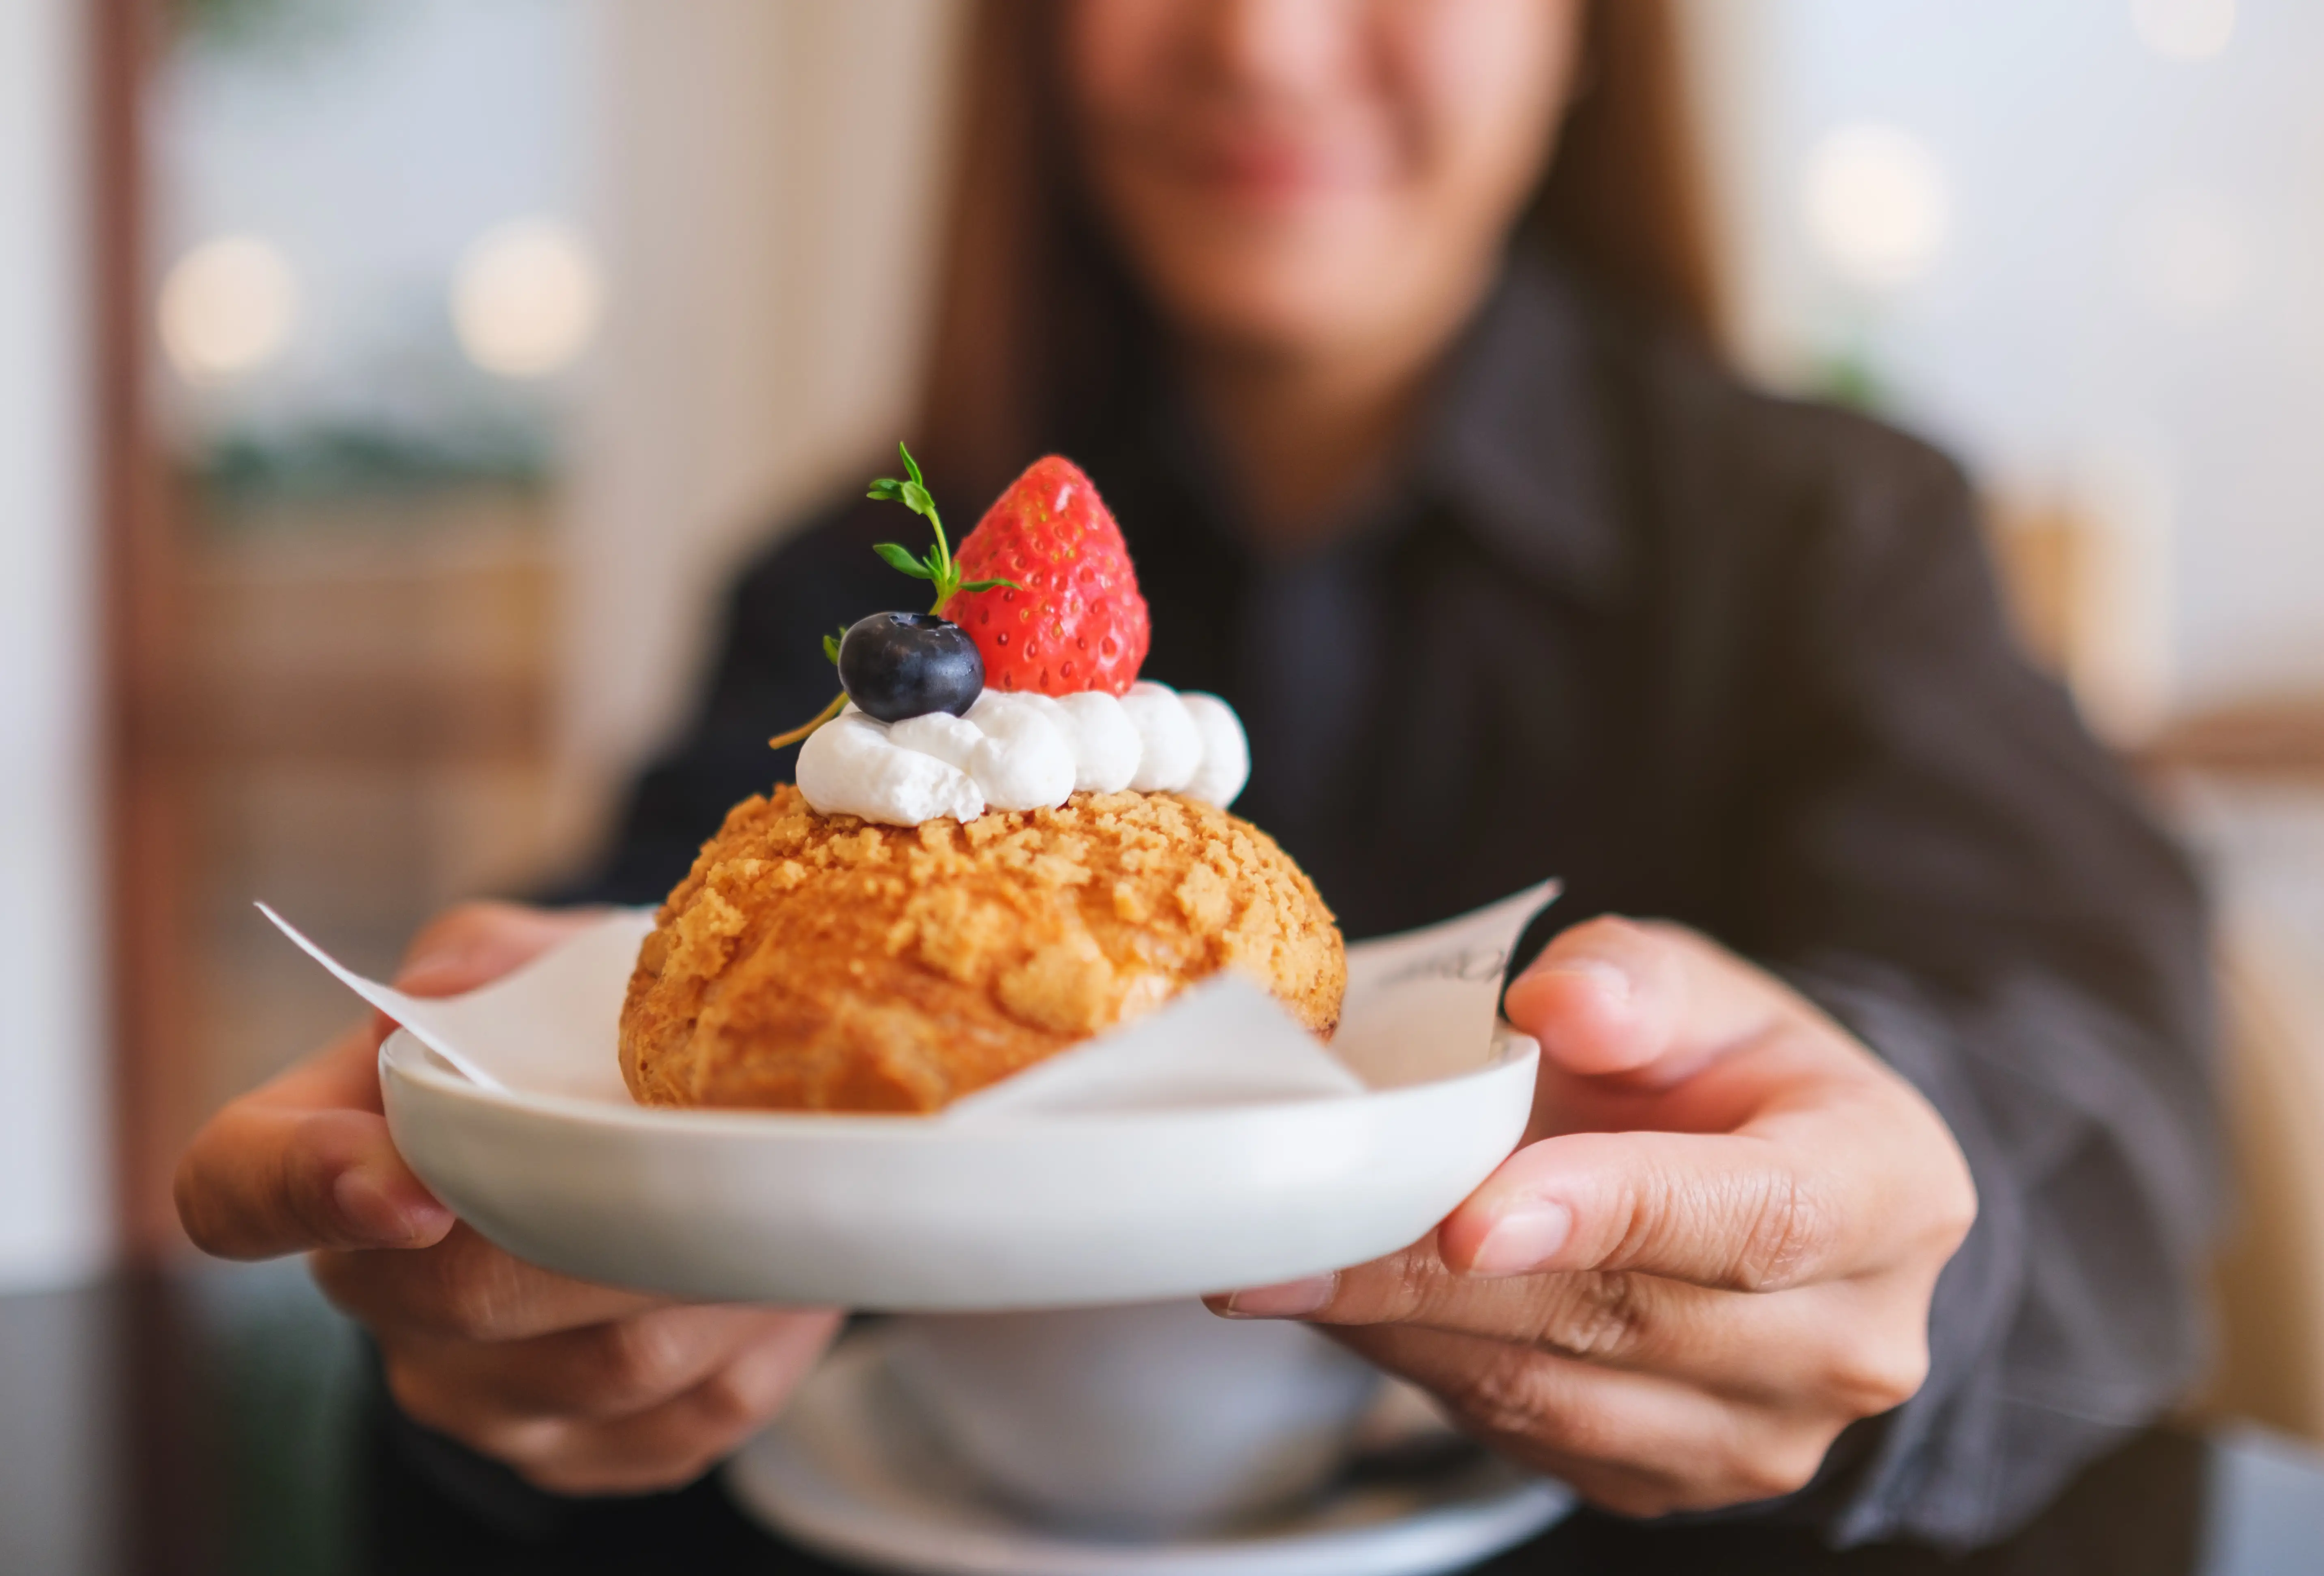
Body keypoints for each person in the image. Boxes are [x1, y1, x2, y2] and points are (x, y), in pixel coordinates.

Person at [175, 0, 2220, 1550]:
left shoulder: (1831, 539)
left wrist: (1869, 1220)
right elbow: (616, 1069)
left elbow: (2111, 1092)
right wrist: (499, 1296)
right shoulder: (840, 596)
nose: (1264, 41)